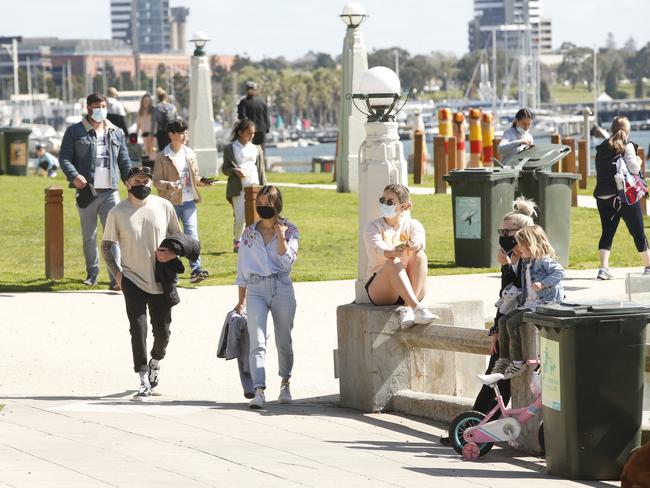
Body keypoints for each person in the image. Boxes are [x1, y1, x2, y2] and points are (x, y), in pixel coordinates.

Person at [439, 197, 536, 446]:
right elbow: (504, 299)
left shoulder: (528, 259)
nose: (503, 236)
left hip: (522, 328)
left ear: (523, 233)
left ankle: (473, 431)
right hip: (508, 326)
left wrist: (505, 268)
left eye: (508, 231)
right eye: (500, 231)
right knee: (494, 382)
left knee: (496, 382)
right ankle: (473, 430)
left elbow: (517, 293)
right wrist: (495, 330)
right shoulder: (513, 257)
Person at [102, 166, 183, 397]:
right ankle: (142, 375)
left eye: (147, 181)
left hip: (161, 279)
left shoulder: (163, 206)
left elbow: (179, 237)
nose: (143, 185)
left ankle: (155, 362)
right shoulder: (117, 213)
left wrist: (172, 253)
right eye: (138, 181)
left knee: (163, 332)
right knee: (137, 329)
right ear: (127, 184)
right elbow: (107, 245)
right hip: (132, 279)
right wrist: (118, 274)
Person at [233, 185, 299, 409]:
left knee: (284, 339)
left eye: (267, 204)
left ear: (276, 205)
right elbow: (242, 269)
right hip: (256, 289)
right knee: (257, 341)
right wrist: (240, 300)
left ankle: (285, 383)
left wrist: (281, 238)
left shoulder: (290, 229)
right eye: (259, 204)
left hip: (282, 287)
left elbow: (287, 262)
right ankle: (259, 390)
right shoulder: (249, 233)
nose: (262, 208)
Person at [59, 93, 132, 290]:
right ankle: (92, 274)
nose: (100, 109)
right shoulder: (75, 131)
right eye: (96, 106)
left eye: (103, 105)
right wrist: (74, 176)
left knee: (113, 235)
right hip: (87, 191)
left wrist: (129, 179)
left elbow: (124, 159)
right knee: (89, 235)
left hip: (110, 191)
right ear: (88, 108)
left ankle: (115, 278)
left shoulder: (116, 131)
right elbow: (64, 158)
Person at [493, 225, 564, 379]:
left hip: (543, 305)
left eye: (522, 246)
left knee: (512, 323)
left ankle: (518, 362)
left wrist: (543, 283)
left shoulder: (543, 261)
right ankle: (504, 359)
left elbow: (559, 272)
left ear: (532, 245)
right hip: (529, 304)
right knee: (503, 320)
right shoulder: (527, 262)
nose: (518, 248)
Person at [364, 183, 438, 328]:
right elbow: (379, 248)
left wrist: (412, 246)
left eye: (390, 202)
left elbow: (419, 242)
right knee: (393, 261)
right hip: (382, 288)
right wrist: (395, 252)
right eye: (382, 200)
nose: (385, 204)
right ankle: (417, 309)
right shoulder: (373, 227)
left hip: (412, 286)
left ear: (404, 207)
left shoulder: (413, 225)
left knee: (420, 256)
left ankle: (408, 309)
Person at [152, 120, 213, 283]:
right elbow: (156, 181)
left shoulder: (190, 154)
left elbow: (196, 178)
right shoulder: (162, 156)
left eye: (186, 132)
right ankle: (173, 272)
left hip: (188, 202)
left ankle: (196, 269)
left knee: (192, 234)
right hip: (170, 203)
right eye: (181, 133)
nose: (185, 136)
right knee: (171, 238)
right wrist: (169, 185)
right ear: (171, 135)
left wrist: (205, 182)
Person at [593, 116, 650, 280]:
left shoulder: (601, 148)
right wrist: (638, 161)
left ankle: (603, 269)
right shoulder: (628, 146)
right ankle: (648, 266)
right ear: (628, 131)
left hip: (603, 196)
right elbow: (633, 167)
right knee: (638, 231)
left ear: (611, 129)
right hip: (623, 195)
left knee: (607, 232)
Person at [222, 119, 267, 252]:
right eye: (248, 133)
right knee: (240, 218)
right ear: (240, 133)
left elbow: (261, 170)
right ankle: (237, 240)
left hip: (255, 187)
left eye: (253, 133)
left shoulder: (257, 148)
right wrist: (234, 171)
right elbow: (225, 169)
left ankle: (253, 243)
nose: (251, 135)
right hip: (238, 188)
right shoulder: (230, 148)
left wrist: (265, 188)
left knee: (256, 218)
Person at [237, 81, 270, 167]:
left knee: (250, 152)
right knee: (261, 152)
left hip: (250, 131)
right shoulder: (262, 102)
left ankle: (253, 170)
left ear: (246, 90)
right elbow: (266, 116)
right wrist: (267, 129)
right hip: (261, 131)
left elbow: (242, 117)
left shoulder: (243, 102)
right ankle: (262, 170)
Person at [153, 87, 178, 152]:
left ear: (158, 97)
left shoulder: (156, 108)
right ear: (166, 97)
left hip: (161, 133)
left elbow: (154, 123)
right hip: (171, 133)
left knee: (162, 152)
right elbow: (176, 120)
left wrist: (152, 134)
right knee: (171, 151)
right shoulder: (173, 107)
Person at [136, 92, 156, 162]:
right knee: (147, 152)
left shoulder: (153, 111)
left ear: (150, 102)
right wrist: (135, 135)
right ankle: (149, 169)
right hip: (144, 135)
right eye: (144, 101)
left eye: (147, 101)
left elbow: (155, 124)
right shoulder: (140, 112)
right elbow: (138, 125)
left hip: (152, 135)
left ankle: (154, 168)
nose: (146, 102)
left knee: (153, 152)